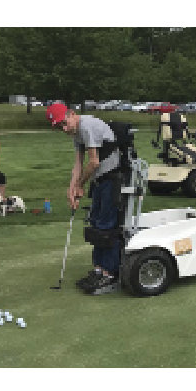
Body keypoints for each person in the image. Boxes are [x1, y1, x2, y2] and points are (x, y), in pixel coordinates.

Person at [46, 102, 122, 296]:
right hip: (99, 180)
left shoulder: (86, 126)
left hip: (111, 178)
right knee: (96, 222)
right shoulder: (77, 133)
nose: (64, 129)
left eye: (64, 123)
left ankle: (109, 272)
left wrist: (80, 185)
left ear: (72, 114)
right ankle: (98, 268)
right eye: (59, 127)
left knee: (106, 224)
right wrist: (71, 189)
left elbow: (94, 162)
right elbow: (78, 165)